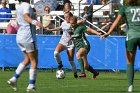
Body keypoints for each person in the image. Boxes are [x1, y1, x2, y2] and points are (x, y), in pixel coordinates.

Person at [101, 0, 140, 92]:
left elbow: (116, 22)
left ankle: (130, 86)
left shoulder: (124, 9)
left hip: (131, 36)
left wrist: (108, 33)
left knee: (130, 62)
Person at [7, 0, 42, 92]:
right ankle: (31, 85)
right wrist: (35, 22)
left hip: (20, 36)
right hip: (28, 36)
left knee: (27, 59)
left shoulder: (19, 7)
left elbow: (20, 21)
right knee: (34, 60)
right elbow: (26, 17)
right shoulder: (26, 5)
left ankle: (13, 79)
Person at [46, 11, 78, 78]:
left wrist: (72, 33)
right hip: (63, 41)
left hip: (70, 43)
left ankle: (75, 73)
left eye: (67, 16)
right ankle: (60, 64)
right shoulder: (63, 23)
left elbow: (75, 32)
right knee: (56, 53)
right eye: (65, 17)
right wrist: (51, 29)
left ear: (71, 17)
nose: (66, 18)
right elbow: (60, 28)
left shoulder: (74, 24)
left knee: (71, 61)